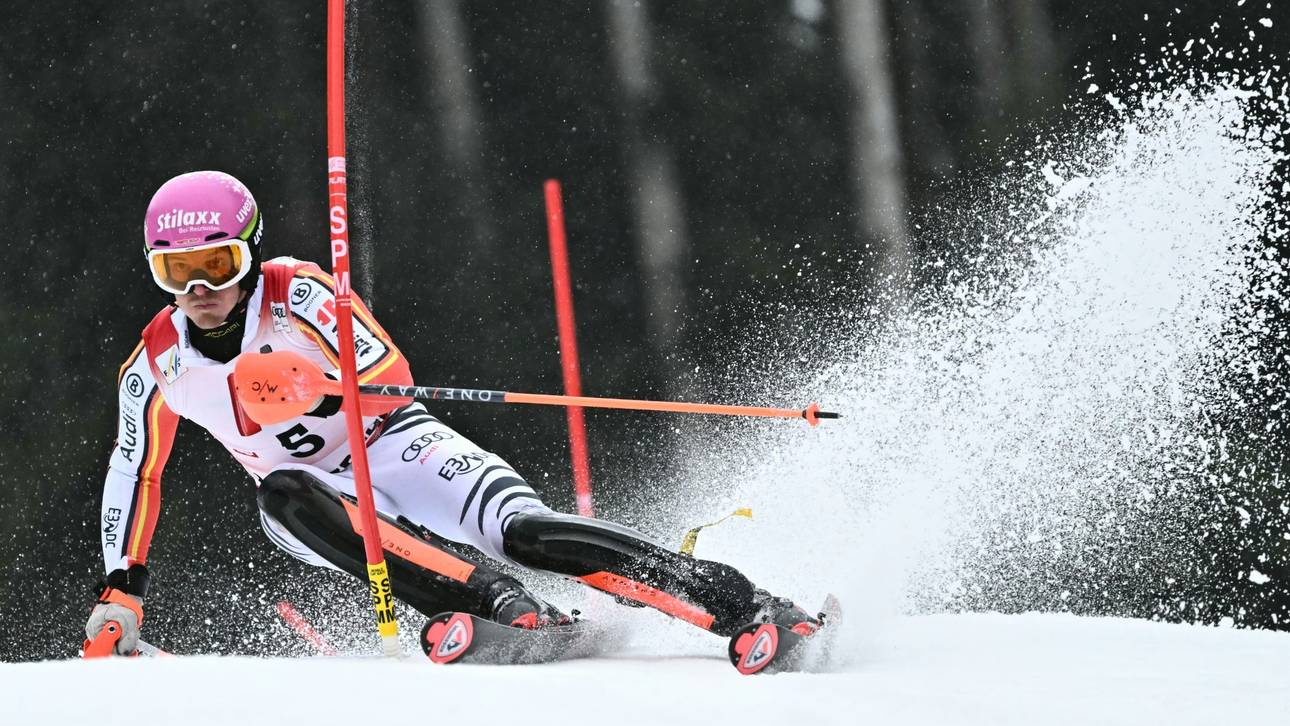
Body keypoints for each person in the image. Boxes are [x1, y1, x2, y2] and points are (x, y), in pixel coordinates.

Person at [86, 170, 818, 656]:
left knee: (527, 534)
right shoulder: (155, 362)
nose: (199, 288)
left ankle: (745, 605)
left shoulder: (300, 294)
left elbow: (389, 374)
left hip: (396, 442)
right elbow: (135, 469)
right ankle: (493, 605)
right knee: (280, 496)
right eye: (176, 272)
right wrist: (122, 592)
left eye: (216, 264)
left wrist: (316, 384)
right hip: (321, 502)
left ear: (248, 254)